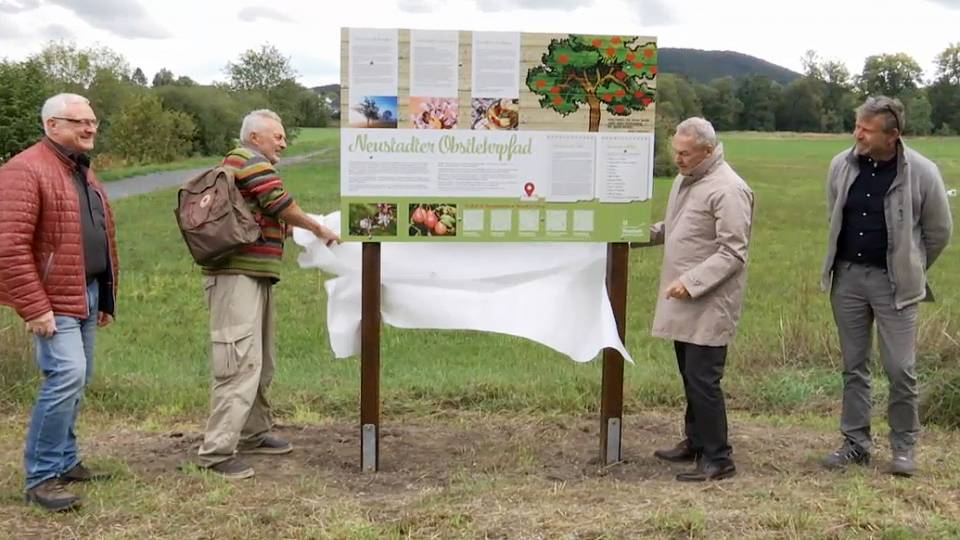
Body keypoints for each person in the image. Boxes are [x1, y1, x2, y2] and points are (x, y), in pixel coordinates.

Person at [197, 109, 340, 479]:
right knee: (238, 359)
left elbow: (268, 214)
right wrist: (318, 228)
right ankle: (216, 452)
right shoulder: (248, 160)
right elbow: (278, 203)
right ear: (255, 137)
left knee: (259, 358)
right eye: (277, 136)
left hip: (254, 274)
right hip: (236, 276)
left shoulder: (245, 166)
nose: (283, 142)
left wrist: (304, 233)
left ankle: (253, 431)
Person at [821, 96, 952, 477]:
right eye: (857, 125)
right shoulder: (840, 166)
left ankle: (904, 449)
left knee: (900, 369)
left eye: (866, 129)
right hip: (847, 279)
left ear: (893, 136)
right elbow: (834, 214)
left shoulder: (923, 173)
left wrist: (911, 266)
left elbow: (939, 231)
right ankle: (855, 445)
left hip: (895, 286)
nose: (857, 134)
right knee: (854, 367)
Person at [0, 93, 119, 511]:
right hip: (53, 299)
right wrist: (34, 306)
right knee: (66, 375)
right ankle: (43, 476)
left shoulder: (79, 170)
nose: (89, 129)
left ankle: (67, 461)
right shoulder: (25, 170)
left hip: (84, 293)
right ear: (51, 125)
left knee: (77, 380)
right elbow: (8, 246)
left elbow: (97, 233)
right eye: (78, 122)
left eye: (92, 121)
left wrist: (103, 295)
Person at [649, 117, 754, 482]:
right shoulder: (686, 180)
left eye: (685, 153)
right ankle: (695, 441)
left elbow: (733, 252)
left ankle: (719, 458)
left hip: (709, 302)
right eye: (675, 152)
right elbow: (674, 227)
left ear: (707, 151)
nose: (677, 159)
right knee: (689, 375)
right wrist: (635, 234)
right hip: (685, 300)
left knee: (703, 379)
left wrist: (691, 283)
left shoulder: (728, 189)